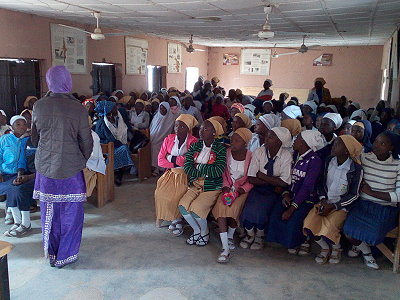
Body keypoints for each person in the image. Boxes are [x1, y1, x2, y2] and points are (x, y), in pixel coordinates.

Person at [31, 66, 93, 268]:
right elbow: (86, 141)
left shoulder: (39, 106)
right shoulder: (78, 108)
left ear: (49, 81)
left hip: (46, 170)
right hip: (71, 171)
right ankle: (66, 256)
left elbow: (34, 138)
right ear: (68, 81)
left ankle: (51, 254)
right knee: (71, 215)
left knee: (49, 213)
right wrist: (81, 160)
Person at [343, 131, 400, 270]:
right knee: (348, 232)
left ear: (391, 147)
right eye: (376, 141)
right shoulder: (365, 158)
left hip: (384, 208)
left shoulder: (397, 165)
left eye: (382, 143)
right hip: (363, 205)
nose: (377, 145)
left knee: (374, 234)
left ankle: (361, 246)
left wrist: (372, 192)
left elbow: (398, 196)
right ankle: (366, 252)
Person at [303, 135, 362, 264]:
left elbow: (354, 194)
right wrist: (323, 199)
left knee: (330, 226)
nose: (333, 147)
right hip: (325, 202)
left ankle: (336, 248)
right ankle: (325, 248)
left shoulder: (356, 169)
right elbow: (321, 183)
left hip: (341, 206)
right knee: (309, 225)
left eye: (337, 145)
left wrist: (335, 206)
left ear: (347, 150)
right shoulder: (329, 161)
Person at [267, 130, 324, 253]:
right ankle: (287, 240)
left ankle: (301, 241)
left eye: (297, 138)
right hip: (291, 195)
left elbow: (307, 187)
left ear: (304, 142)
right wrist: (286, 193)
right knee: (276, 213)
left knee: (293, 219)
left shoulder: (315, 161)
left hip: (306, 199)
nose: (294, 140)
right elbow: (287, 178)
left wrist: (292, 207)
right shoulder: (294, 155)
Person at [240, 127, 292, 250]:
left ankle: (259, 236)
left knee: (262, 212)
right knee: (248, 210)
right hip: (259, 188)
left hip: (273, 192)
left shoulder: (286, 156)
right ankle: (250, 234)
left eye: (270, 137)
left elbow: (285, 182)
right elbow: (252, 177)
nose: (266, 139)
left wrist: (261, 175)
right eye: (267, 136)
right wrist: (274, 182)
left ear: (280, 141)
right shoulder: (259, 152)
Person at [178, 119, 226, 246]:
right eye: (200, 128)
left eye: (205, 129)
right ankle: (197, 230)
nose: (201, 132)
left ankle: (204, 232)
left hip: (212, 186)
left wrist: (198, 167)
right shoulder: (195, 146)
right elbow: (188, 168)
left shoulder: (220, 149)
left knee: (196, 209)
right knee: (183, 206)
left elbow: (218, 171)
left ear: (214, 133)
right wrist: (203, 171)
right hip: (195, 183)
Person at [212, 128, 253, 263]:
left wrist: (240, 191)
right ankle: (225, 248)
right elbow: (224, 174)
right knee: (221, 207)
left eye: (237, 141)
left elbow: (251, 179)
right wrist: (225, 188)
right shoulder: (227, 153)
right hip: (228, 188)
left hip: (241, 190)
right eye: (232, 140)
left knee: (235, 208)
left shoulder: (251, 156)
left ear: (245, 143)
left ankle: (230, 235)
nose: (233, 143)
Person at [155, 114, 198, 235]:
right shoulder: (169, 139)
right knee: (160, 192)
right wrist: (176, 162)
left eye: (182, 126)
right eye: (176, 125)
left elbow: (189, 161)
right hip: (171, 173)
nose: (177, 129)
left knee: (177, 194)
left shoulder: (193, 141)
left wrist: (170, 157)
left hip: (185, 175)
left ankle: (178, 220)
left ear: (188, 129)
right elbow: (160, 161)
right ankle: (174, 218)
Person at [1, 116, 34, 237]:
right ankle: (16, 218)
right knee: (11, 187)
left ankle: (20, 220)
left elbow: (22, 162)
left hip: (23, 173)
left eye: (24, 124)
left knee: (15, 188)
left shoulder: (26, 140)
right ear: (12, 126)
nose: (22, 127)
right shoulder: (5, 139)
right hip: (7, 172)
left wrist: (22, 175)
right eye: (18, 124)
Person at [94, 101, 134, 185]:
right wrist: (116, 143)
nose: (116, 109)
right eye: (114, 108)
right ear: (109, 110)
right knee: (124, 150)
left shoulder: (117, 118)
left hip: (115, 144)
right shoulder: (102, 122)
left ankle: (119, 174)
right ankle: (118, 174)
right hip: (105, 146)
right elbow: (103, 138)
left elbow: (122, 130)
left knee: (124, 149)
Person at [150, 102, 177, 175]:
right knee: (153, 144)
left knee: (156, 146)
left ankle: (156, 168)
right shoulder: (156, 116)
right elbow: (152, 128)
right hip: (154, 138)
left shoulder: (170, 118)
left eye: (164, 108)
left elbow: (171, 132)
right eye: (161, 108)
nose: (162, 110)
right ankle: (153, 166)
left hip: (165, 139)